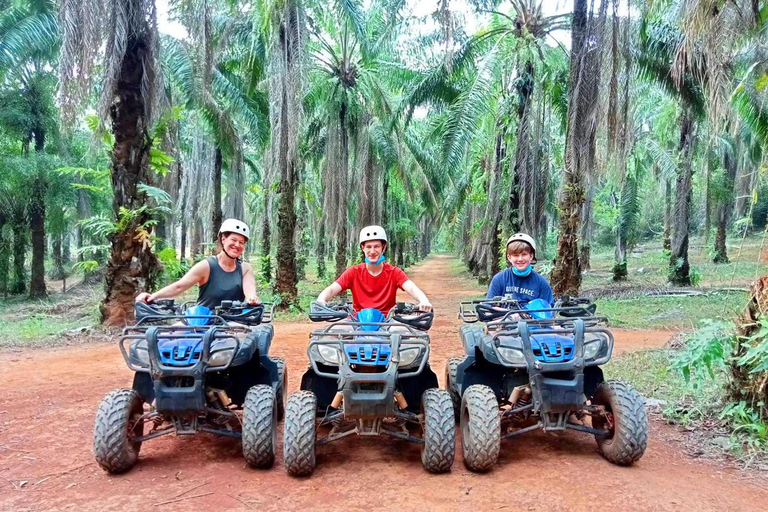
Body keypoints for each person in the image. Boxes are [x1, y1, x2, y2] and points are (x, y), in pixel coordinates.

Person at [136, 218, 261, 307]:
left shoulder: (245, 269)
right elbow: (179, 286)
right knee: (165, 339)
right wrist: (152, 297)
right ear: (223, 239)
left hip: (233, 324)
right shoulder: (207, 266)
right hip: (203, 322)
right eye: (233, 240)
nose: (237, 245)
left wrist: (252, 299)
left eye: (242, 242)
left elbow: (250, 291)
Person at [316, 225, 432, 314]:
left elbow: (411, 287)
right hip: (357, 322)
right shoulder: (354, 272)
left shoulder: (394, 272)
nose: (372, 251)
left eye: (376, 246)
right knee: (329, 339)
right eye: (368, 247)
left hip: (387, 322)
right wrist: (321, 301)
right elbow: (332, 289)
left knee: (410, 339)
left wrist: (424, 300)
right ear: (362, 248)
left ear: (383, 247)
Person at [487, 233, 553, 305]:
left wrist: (525, 315)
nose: (520, 259)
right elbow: (489, 308)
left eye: (524, 254)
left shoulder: (542, 283)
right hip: (504, 316)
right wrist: (510, 314)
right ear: (509, 257)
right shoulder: (499, 279)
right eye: (515, 255)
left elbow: (547, 311)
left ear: (531, 256)